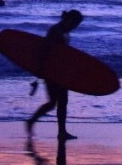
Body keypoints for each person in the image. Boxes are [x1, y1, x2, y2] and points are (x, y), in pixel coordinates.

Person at [26, 9, 84, 142]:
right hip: (52, 72)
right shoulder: (55, 31)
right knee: (55, 103)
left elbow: (63, 54)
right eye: (75, 24)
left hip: (60, 71)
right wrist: (40, 74)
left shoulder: (64, 32)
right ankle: (33, 122)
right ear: (69, 20)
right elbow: (44, 52)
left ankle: (61, 132)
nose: (75, 28)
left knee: (61, 102)